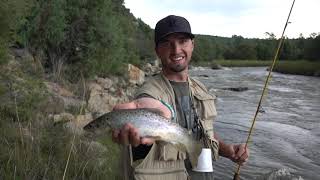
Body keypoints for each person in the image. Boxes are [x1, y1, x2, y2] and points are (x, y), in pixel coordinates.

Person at [112, 15, 249, 180]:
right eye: (167, 43)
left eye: (182, 40)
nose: (176, 49)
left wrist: (229, 150)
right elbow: (147, 111)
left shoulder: (200, 88)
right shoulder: (149, 93)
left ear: (192, 45)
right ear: (157, 50)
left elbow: (204, 133)